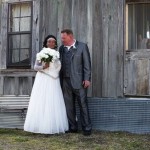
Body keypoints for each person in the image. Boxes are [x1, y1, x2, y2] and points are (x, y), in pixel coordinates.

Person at [24, 35, 68, 134]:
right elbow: (36, 67)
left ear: (55, 43)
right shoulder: (41, 53)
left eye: (53, 42)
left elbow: (58, 66)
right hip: (43, 79)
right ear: (46, 43)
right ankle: (39, 125)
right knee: (42, 99)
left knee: (53, 99)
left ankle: (52, 125)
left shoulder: (57, 54)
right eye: (49, 41)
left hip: (53, 79)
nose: (51, 43)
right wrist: (44, 66)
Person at [59, 29, 92, 136]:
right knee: (69, 106)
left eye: (63, 38)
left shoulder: (82, 46)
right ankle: (73, 127)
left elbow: (87, 64)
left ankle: (87, 128)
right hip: (65, 81)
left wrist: (87, 79)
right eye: (61, 38)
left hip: (79, 81)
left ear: (70, 36)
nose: (62, 40)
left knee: (83, 104)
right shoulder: (61, 49)